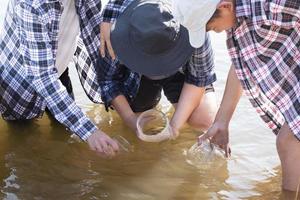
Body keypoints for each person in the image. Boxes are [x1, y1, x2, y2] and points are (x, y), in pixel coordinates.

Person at [174, 0, 300, 191]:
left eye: (209, 26)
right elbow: (242, 63)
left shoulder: (273, 4)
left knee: (288, 141)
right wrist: (222, 121)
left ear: (225, 6)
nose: (211, 31)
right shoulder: (236, 18)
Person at [0, 0, 119, 156]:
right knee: (25, 141)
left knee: (66, 132)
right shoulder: (30, 3)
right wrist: (90, 132)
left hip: (59, 66)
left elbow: (96, 37)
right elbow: (43, 77)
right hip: (20, 84)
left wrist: (118, 94)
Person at [89, 0, 218, 139]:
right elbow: (107, 80)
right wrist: (130, 119)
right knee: (143, 124)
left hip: (181, 72)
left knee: (204, 120)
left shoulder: (196, 25)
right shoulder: (113, 31)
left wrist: (174, 126)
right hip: (136, 77)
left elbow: (199, 77)